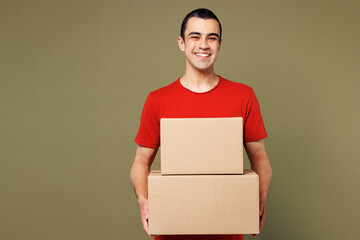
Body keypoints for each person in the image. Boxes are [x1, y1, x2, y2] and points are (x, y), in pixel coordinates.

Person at [130, 8, 272, 240]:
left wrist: (260, 198)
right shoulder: (158, 100)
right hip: (171, 232)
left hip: (227, 231)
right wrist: (144, 201)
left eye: (211, 38)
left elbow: (260, 158)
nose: (203, 45)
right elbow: (140, 162)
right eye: (195, 37)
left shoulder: (243, 96)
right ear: (181, 43)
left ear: (219, 44)